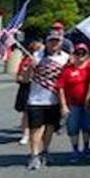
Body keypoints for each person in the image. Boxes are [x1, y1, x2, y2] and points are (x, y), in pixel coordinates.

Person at [24, 30, 70, 170]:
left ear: (61, 43)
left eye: (57, 41)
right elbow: (24, 79)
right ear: (47, 42)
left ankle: (45, 151)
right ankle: (34, 155)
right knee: (35, 129)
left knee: (49, 128)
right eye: (51, 41)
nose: (54, 44)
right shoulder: (36, 56)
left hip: (54, 100)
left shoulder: (66, 58)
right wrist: (30, 67)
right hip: (36, 99)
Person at [58, 43, 90, 162]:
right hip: (72, 104)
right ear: (73, 54)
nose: (80, 55)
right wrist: (63, 105)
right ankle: (75, 149)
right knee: (73, 127)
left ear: (87, 55)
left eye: (83, 53)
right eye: (78, 53)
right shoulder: (67, 69)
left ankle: (86, 148)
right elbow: (60, 87)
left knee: (87, 126)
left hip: (87, 103)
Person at [14, 40, 42, 146]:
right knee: (26, 112)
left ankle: (38, 133)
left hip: (40, 87)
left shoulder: (43, 60)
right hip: (27, 87)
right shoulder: (26, 60)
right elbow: (19, 77)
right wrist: (28, 70)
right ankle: (25, 135)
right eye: (37, 50)